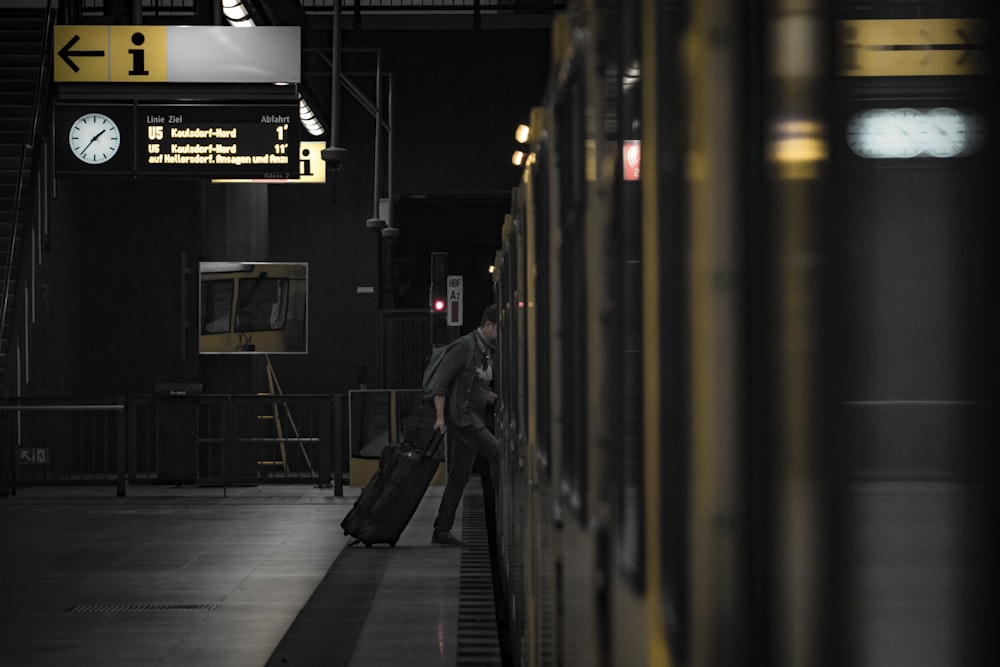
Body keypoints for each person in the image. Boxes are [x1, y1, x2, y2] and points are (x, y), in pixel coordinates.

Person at [426, 304, 500, 547]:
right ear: (488, 326)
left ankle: (441, 530)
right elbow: (441, 384)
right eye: (499, 329)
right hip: (463, 419)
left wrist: (496, 400)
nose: (500, 335)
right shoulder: (465, 346)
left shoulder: (485, 350)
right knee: (497, 451)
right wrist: (439, 417)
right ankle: (504, 504)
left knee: (459, 476)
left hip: (471, 417)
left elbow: (478, 387)